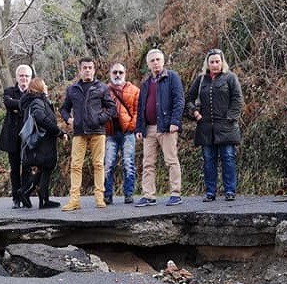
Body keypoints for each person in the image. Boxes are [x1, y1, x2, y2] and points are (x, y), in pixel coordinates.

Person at [186, 49, 244, 201]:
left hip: (226, 127)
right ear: (207, 63)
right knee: (208, 160)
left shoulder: (230, 78)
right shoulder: (200, 80)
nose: (215, 64)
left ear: (222, 62)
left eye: (217, 61)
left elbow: (238, 99)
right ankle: (210, 192)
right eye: (212, 62)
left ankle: (230, 191)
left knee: (228, 158)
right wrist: (195, 113)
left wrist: (230, 117)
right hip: (205, 128)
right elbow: (189, 99)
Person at [59, 57, 117, 211]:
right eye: (85, 68)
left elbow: (112, 108)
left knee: (98, 165)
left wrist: (100, 119)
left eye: (90, 67)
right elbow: (63, 108)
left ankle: (99, 197)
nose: (87, 70)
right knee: (76, 166)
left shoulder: (102, 87)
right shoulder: (72, 89)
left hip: (98, 131)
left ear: (94, 69)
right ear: (80, 70)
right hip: (79, 132)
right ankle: (74, 200)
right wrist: (68, 120)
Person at [135, 48, 185, 207]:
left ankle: (175, 194)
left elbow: (179, 100)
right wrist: (138, 128)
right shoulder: (145, 83)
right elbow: (141, 106)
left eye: (158, 60)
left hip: (166, 127)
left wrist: (175, 121)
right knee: (148, 163)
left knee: (171, 160)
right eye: (152, 61)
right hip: (149, 128)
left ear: (163, 61)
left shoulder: (172, 77)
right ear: (148, 64)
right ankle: (149, 195)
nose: (155, 63)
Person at [18, 78, 67, 209]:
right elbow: (40, 118)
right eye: (44, 84)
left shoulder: (35, 101)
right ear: (40, 87)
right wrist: (58, 132)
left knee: (43, 170)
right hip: (43, 142)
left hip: (41, 142)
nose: (46, 86)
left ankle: (30, 194)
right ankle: (38, 198)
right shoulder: (37, 101)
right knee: (46, 168)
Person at [0, 64, 33, 208]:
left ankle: (25, 195)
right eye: (21, 76)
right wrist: (24, 104)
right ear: (16, 77)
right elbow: (8, 103)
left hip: (29, 137)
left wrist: (17, 105)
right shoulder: (9, 91)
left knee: (27, 168)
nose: (24, 78)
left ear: (30, 78)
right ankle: (16, 198)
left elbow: (35, 105)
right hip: (12, 137)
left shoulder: (33, 91)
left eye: (26, 76)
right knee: (14, 168)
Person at [103, 63, 140, 205]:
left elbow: (137, 111)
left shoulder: (134, 90)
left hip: (127, 133)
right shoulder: (104, 90)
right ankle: (107, 195)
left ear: (125, 73)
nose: (117, 75)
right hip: (110, 133)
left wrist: (131, 126)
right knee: (108, 164)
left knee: (128, 163)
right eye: (115, 72)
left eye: (120, 72)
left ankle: (129, 194)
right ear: (110, 74)